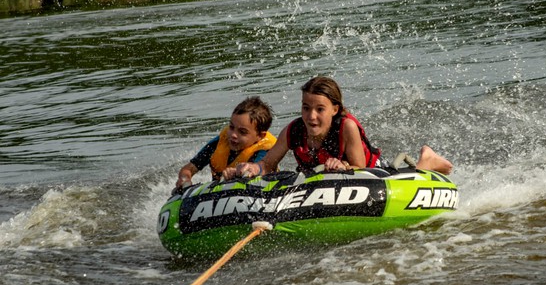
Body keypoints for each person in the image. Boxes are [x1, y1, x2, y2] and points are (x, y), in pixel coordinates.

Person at [226, 76, 452, 180]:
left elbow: (361, 169)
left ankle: (427, 160)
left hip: (376, 173)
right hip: (325, 179)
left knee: (407, 176)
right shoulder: (293, 131)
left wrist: (343, 165)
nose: (311, 116)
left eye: (320, 109)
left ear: (335, 109)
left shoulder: (347, 127)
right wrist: (253, 168)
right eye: (306, 108)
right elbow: (267, 164)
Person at [175, 96, 276, 189]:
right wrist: (185, 178)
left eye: (242, 132)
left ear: (260, 136)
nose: (233, 135)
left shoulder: (265, 151)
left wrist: (235, 173)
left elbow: (256, 171)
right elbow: (189, 168)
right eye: (231, 127)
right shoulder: (219, 143)